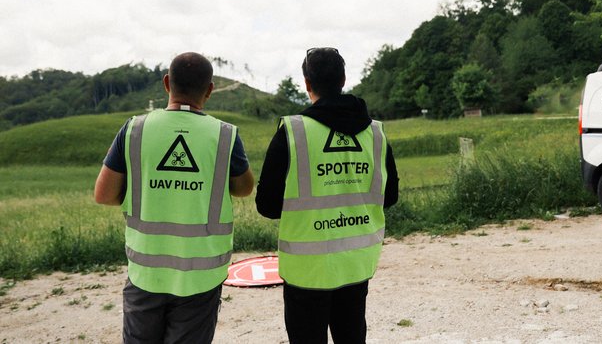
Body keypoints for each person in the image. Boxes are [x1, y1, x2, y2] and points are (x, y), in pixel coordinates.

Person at [94, 52, 255, 344]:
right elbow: (244, 188)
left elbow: (103, 195)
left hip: (146, 272)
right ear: (210, 89)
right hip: (200, 275)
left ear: (167, 83)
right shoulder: (224, 135)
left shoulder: (134, 129)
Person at [256, 47, 399, 344]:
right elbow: (390, 196)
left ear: (307, 84)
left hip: (306, 270)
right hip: (356, 263)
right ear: (344, 79)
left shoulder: (293, 131)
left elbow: (267, 205)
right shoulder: (375, 133)